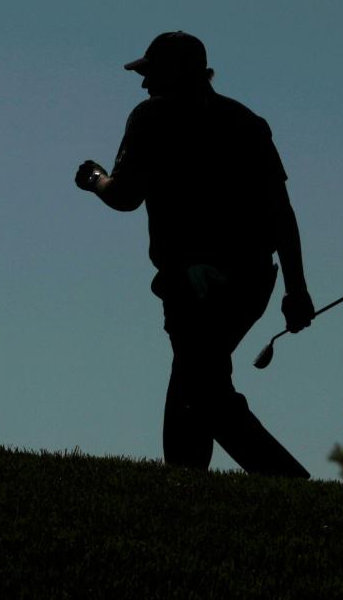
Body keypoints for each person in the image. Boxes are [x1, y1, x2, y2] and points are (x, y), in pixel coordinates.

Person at [73, 31, 314, 478]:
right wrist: (296, 290)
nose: (143, 85)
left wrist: (94, 178)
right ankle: (187, 486)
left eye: (150, 74)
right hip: (252, 280)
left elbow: (125, 196)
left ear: (174, 73)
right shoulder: (247, 123)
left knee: (202, 389)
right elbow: (281, 213)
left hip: (192, 282)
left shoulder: (151, 117)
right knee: (195, 382)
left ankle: (287, 482)